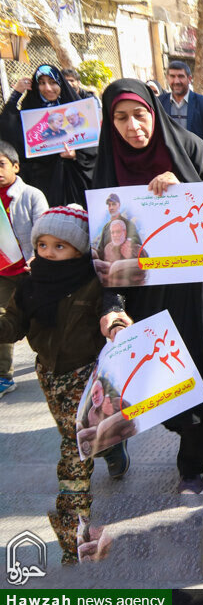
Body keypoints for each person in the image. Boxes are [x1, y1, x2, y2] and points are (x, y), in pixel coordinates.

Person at [94, 79, 203, 495]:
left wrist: (187, 189)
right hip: (149, 292)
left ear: (154, 112)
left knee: (202, 369)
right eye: (121, 118)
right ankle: (186, 447)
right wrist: (112, 303)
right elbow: (104, 245)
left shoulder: (187, 147)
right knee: (165, 378)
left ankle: (192, 464)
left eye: (140, 115)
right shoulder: (108, 168)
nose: (133, 127)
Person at [0, 205, 129, 563]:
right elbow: (12, 326)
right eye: (42, 245)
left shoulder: (94, 280)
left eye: (60, 246)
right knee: (81, 441)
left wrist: (115, 322)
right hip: (49, 375)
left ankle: (75, 539)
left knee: (74, 453)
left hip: (87, 375)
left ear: (77, 248)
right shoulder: (29, 284)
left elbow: (113, 307)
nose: (49, 253)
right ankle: (110, 447)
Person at [0, 64, 96, 206]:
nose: (48, 88)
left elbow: (95, 150)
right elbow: (8, 128)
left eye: (53, 82)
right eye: (42, 83)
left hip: (75, 183)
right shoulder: (30, 113)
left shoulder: (77, 109)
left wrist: (76, 155)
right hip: (43, 184)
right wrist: (16, 94)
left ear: (61, 84)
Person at [0, 141, 48, 396]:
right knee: (4, 322)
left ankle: (50, 365)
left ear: (16, 166)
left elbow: (44, 229)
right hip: (2, 275)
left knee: (39, 322)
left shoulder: (31, 195)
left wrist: (38, 257)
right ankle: (3, 376)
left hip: (31, 272)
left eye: (1, 164)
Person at [159, 61, 203, 159]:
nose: (176, 81)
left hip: (196, 162)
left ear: (189, 79)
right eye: (172, 76)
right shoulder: (160, 102)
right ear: (167, 78)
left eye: (181, 76)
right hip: (168, 161)